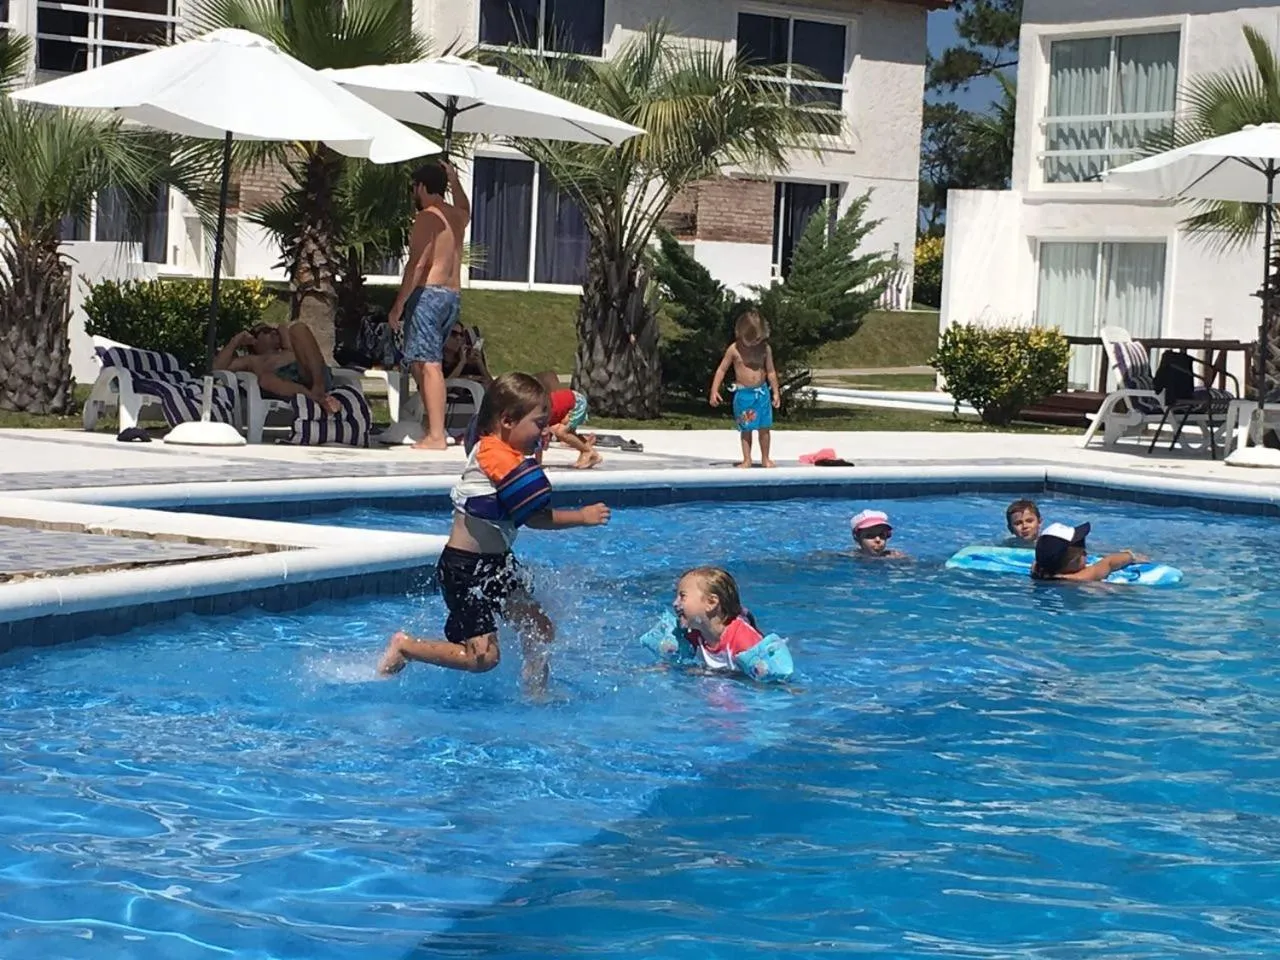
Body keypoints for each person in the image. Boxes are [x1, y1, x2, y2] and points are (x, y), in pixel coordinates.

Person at [377, 372, 611, 693]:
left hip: (496, 565)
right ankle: (406, 647)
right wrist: (581, 516)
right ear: (507, 421)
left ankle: (535, 693)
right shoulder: (493, 455)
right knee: (483, 659)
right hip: (464, 570)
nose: (544, 432)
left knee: (539, 628)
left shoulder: (508, 453)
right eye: (538, 424)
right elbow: (534, 516)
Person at [387, 160, 470, 451]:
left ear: (421, 186)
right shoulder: (455, 217)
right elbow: (466, 208)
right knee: (421, 362)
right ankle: (433, 426)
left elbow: (418, 264)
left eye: (414, 188)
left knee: (429, 364)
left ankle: (436, 435)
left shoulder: (428, 217)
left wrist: (398, 305)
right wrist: (455, 180)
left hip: (429, 295)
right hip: (452, 296)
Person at [213, 322, 340, 413]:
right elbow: (217, 369)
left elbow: (288, 330)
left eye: (274, 330)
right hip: (287, 387)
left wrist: (282, 331)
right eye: (266, 331)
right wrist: (236, 341)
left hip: (312, 375)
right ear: (254, 341)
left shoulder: (289, 350)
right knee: (265, 379)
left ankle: (318, 387)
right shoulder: (252, 360)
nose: (273, 332)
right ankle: (317, 398)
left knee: (298, 328)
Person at [710, 311, 781, 468]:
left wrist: (775, 392)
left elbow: (771, 371)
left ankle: (765, 458)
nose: (755, 342)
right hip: (744, 396)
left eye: (758, 339)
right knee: (746, 429)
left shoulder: (765, 349)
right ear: (740, 334)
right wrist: (714, 391)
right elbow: (721, 370)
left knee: (764, 428)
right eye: (751, 340)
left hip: (762, 394)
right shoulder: (734, 350)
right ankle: (747, 459)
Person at [672, 566, 765, 674]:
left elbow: (765, 683)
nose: (675, 603)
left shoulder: (743, 641)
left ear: (711, 603)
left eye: (682, 596)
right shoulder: (694, 635)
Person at [1030, 522, 1146, 582]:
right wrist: (1130, 555)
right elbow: (1109, 563)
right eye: (1082, 546)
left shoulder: (1038, 570)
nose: (1085, 552)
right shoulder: (1083, 577)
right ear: (1073, 561)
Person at [535, 371, 600, 469]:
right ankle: (590, 452)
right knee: (565, 432)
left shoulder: (540, 413)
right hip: (571, 401)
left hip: (577, 402)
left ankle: (588, 452)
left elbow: (539, 442)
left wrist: (537, 464)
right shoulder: (538, 412)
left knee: (561, 432)